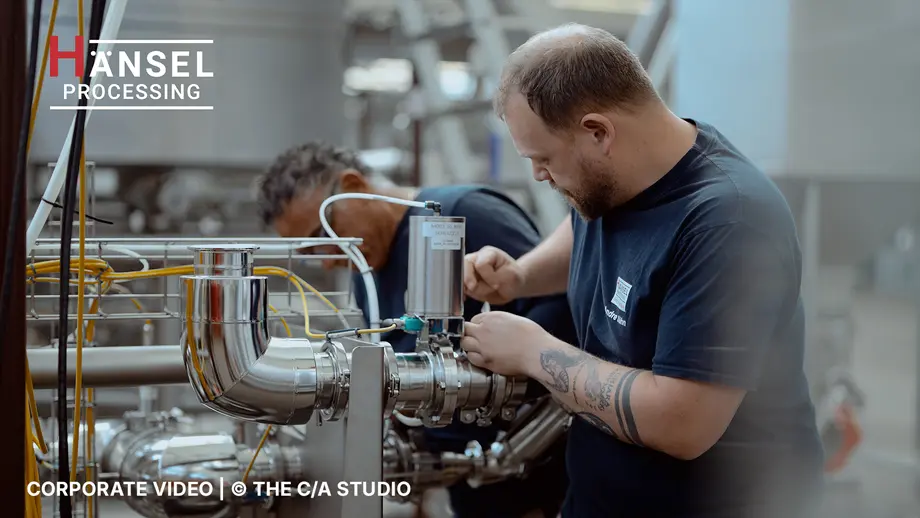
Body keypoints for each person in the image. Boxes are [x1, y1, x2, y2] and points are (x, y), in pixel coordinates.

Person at [459, 23, 825, 518]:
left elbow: (682, 423)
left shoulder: (730, 220)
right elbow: (586, 226)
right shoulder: (616, 176)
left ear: (598, 132)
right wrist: (520, 277)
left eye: (544, 158)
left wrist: (532, 351)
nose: (538, 175)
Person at [256, 141, 577, 518]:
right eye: (312, 252)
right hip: (469, 484)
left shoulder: (464, 214)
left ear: (354, 186)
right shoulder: (366, 271)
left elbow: (562, 310)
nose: (327, 260)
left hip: (535, 474)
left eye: (326, 235)